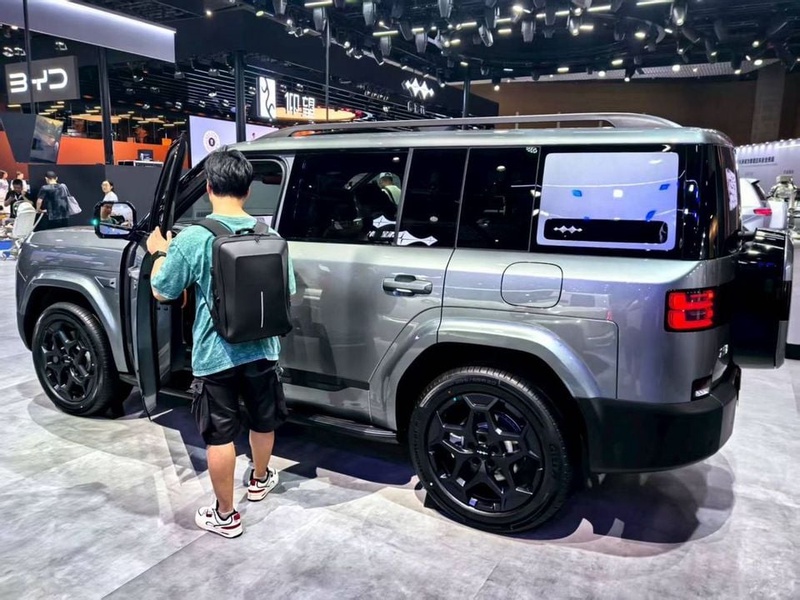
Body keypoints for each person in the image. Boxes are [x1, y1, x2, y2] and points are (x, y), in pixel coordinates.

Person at [146, 148, 296, 539]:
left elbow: (163, 290)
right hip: (263, 349)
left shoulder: (194, 238)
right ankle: (260, 479)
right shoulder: (271, 236)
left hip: (216, 356)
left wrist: (159, 253)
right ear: (248, 190)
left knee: (220, 435)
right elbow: (288, 291)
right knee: (263, 420)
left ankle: (226, 515)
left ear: (209, 187)